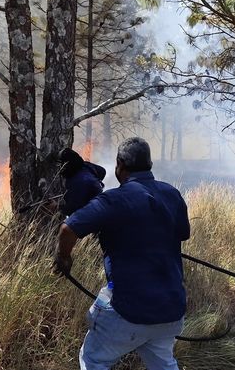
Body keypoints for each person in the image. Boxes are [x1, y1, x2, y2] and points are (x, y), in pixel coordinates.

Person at [54, 137, 190, 370]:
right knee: (163, 364)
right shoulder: (172, 194)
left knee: (93, 360)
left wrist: (64, 258)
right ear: (149, 164)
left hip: (129, 309)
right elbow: (183, 233)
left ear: (119, 165)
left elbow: (68, 229)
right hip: (170, 309)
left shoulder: (113, 200)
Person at [58, 147, 107, 216]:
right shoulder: (84, 165)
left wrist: (56, 207)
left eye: (61, 164)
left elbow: (72, 209)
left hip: (92, 215)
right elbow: (102, 171)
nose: (60, 167)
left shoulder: (79, 182)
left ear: (67, 164)